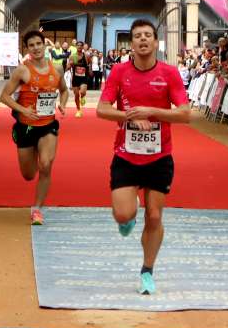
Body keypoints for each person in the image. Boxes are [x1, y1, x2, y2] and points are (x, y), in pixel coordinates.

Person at [96, 19, 191, 296]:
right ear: (131, 43)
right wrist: (130, 117)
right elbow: (102, 109)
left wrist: (150, 112)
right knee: (124, 213)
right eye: (137, 36)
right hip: (126, 155)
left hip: (159, 155)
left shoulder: (169, 73)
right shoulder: (119, 72)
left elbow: (185, 114)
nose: (143, 40)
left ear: (156, 42)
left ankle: (147, 271)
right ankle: (127, 219)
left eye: (148, 35)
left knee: (154, 214)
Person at [0, 30, 68, 226]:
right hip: (26, 127)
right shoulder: (22, 70)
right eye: (32, 45)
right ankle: (32, 152)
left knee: (45, 165)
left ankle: (37, 209)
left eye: (39, 44)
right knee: (29, 174)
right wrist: (23, 110)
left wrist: (62, 103)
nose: (36, 48)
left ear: (44, 45)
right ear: (27, 49)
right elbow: (4, 97)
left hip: (48, 125)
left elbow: (63, 90)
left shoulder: (57, 69)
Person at [68, 42, 92, 117]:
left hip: (84, 77)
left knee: (82, 91)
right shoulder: (72, 56)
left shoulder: (86, 56)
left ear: (82, 47)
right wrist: (70, 65)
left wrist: (90, 70)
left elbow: (90, 63)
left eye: (80, 46)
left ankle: (83, 96)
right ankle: (78, 110)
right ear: (76, 46)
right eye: (78, 45)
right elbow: (67, 67)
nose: (79, 47)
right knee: (76, 95)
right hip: (75, 78)